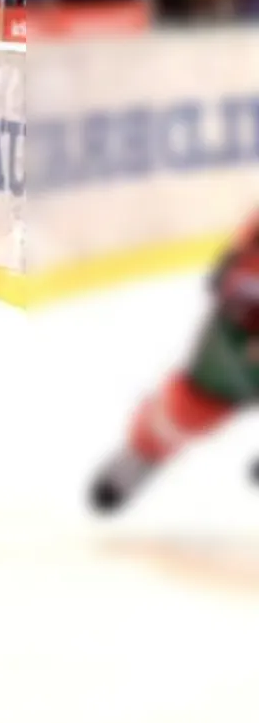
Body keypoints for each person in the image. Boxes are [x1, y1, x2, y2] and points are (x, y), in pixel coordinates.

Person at [90, 214, 259, 511]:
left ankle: (145, 449)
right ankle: (143, 452)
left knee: (192, 407)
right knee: (188, 409)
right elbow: (231, 273)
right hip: (231, 348)